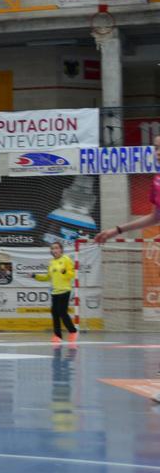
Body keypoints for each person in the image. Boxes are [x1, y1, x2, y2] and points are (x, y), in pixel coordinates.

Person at [94, 136, 160, 402]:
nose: (156, 152)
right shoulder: (156, 181)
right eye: (155, 148)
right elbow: (157, 217)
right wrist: (116, 230)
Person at [34, 241, 79, 344]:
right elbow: (47, 277)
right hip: (55, 291)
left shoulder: (66, 260)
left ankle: (73, 331)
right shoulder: (51, 262)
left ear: (61, 249)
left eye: (56, 248)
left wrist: (65, 272)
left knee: (62, 312)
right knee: (54, 313)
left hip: (65, 290)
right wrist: (35, 276)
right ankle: (57, 336)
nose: (54, 250)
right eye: (53, 248)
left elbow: (71, 274)